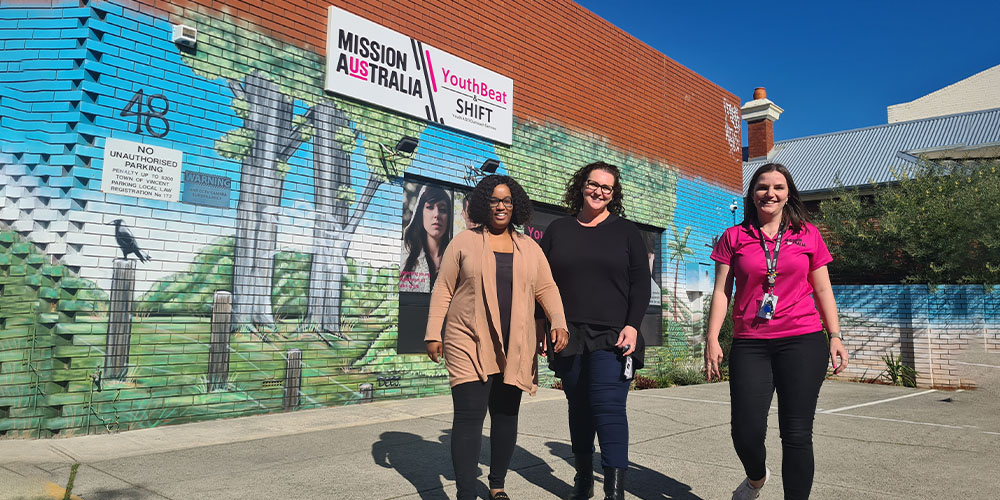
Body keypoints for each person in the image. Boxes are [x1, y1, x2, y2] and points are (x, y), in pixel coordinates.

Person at [704, 162, 849, 500]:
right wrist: (712, 338)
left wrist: (836, 335)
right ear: (752, 194)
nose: (770, 193)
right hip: (751, 343)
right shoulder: (734, 237)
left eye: (778, 187)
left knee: (797, 433)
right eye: (762, 187)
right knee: (745, 431)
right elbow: (721, 292)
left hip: (803, 339)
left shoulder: (807, 234)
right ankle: (756, 478)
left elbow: (824, 289)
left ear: (788, 195)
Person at [425, 174, 570, 500]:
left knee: (506, 415)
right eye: (493, 200)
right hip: (467, 341)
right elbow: (443, 289)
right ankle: (465, 492)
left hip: (515, 345)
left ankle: (497, 485)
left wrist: (558, 321)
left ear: (514, 205)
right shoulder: (462, 243)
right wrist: (433, 332)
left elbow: (546, 287)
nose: (500, 206)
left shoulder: (529, 247)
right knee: (468, 415)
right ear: (482, 205)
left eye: (506, 200)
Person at [539, 161, 651, 500]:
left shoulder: (627, 231)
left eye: (606, 187)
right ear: (581, 185)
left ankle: (614, 491)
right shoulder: (558, 230)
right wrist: (542, 325)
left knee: (609, 407)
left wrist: (633, 325)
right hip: (568, 334)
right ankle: (583, 479)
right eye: (593, 184)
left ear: (613, 194)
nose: (599, 191)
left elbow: (640, 285)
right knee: (579, 406)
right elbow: (542, 284)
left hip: (614, 335)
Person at [401, 185, 452, 292]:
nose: (436, 215)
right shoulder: (404, 252)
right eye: (430, 207)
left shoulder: (456, 259)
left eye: (442, 209)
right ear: (420, 213)